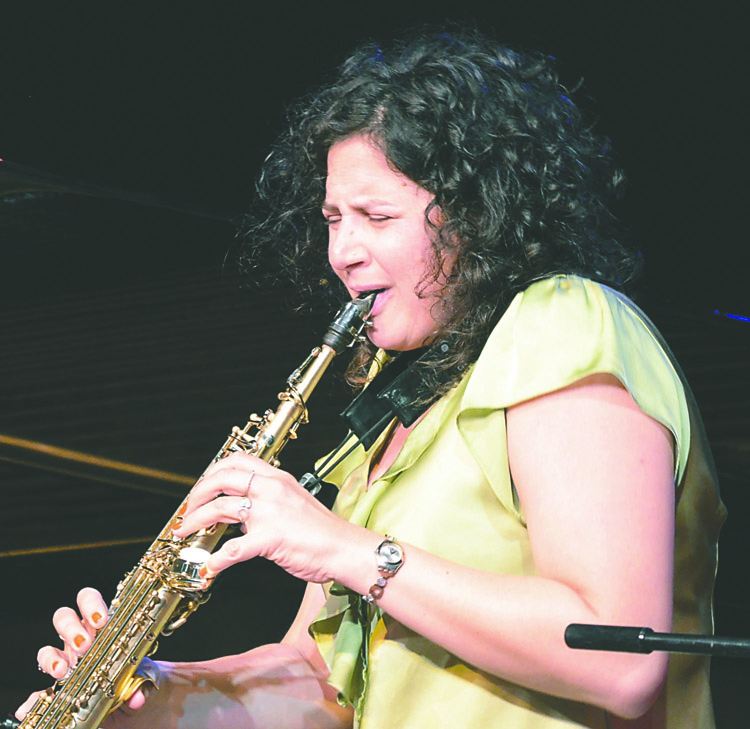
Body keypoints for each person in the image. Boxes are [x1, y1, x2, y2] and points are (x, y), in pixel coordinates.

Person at [18, 28, 725, 729]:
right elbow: (320, 683)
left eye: (376, 216)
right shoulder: (396, 407)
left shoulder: (563, 323)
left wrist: (345, 547)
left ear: (478, 214)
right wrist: (147, 692)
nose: (342, 253)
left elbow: (620, 659)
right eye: (332, 219)